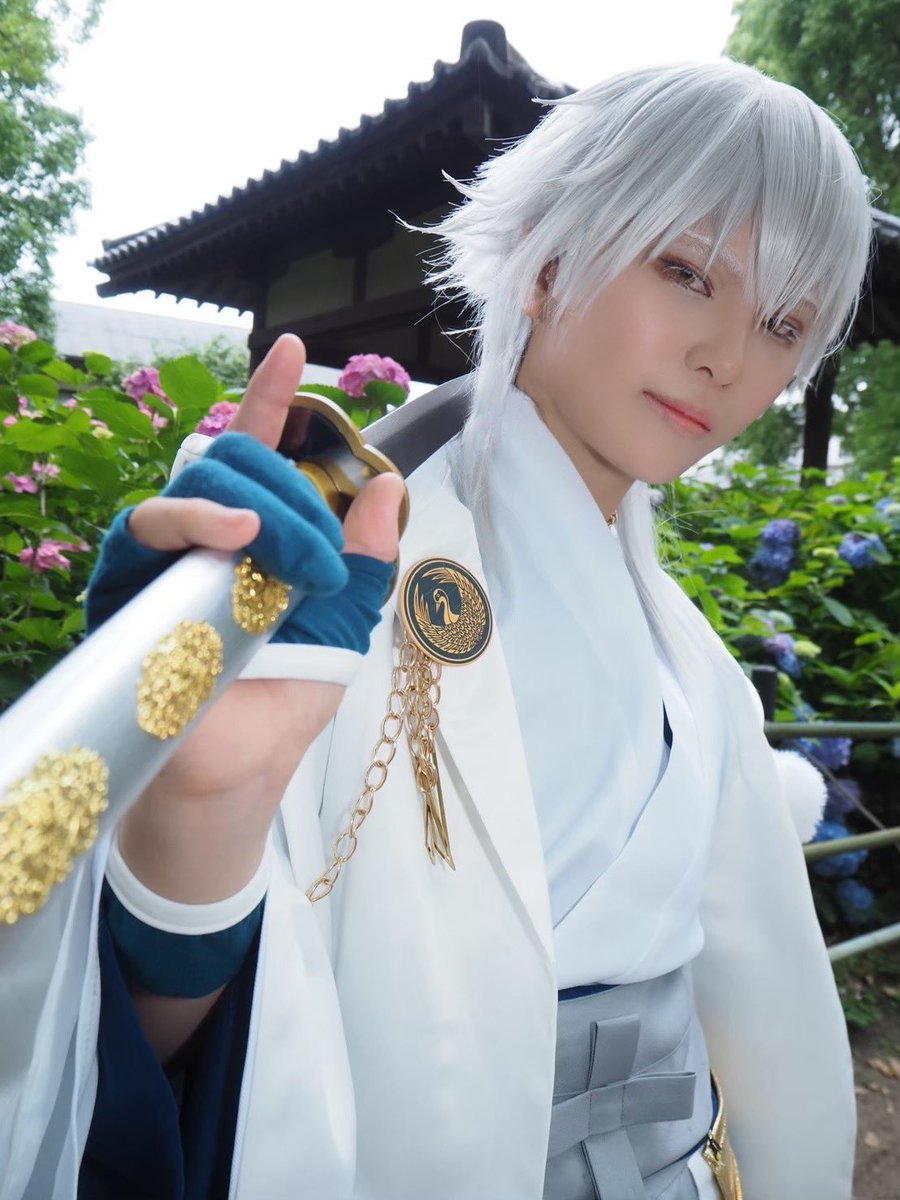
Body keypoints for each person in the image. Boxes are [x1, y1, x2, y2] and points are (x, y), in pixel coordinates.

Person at [0, 59, 873, 1200]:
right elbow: (171, 1057)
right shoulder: (331, 564)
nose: (729, 357)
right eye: (687, 271)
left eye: (783, 323)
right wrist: (197, 809)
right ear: (548, 262)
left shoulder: (691, 658)